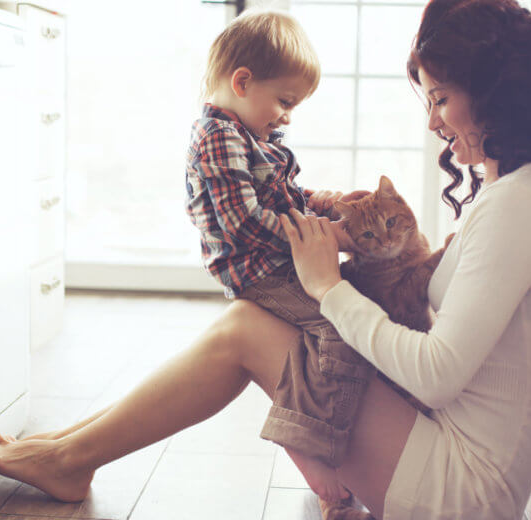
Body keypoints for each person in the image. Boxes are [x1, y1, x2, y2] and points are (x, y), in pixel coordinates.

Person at [0, 0, 531, 518]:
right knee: (246, 324)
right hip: (452, 449)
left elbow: (436, 373)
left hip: (462, 490)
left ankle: (68, 457)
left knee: (244, 329)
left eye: (440, 99)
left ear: (495, 91)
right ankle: (65, 446)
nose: (434, 121)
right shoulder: (516, 192)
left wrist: (331, 287)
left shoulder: (519, 205)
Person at [184, 8, 373, 501]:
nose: (287, 115)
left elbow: (286, 197)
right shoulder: (217, 137)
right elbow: (244, 222)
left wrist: (328, 204)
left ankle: (336, 439)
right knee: (341, 330)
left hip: (278, 260)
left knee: (349, 314)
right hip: (260, 271)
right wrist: (323, 237)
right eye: (285, 101)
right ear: (242, 81)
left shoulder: (253, 136)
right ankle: (321, 458)